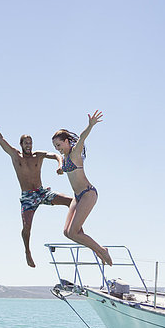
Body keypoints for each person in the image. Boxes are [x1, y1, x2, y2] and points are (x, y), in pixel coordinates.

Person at [0, 107, 72, 268]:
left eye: (30, 142)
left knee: (71, 200)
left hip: (42, 192)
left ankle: (75, 229)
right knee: (26, 228)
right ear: (21, 144)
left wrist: (60, 165)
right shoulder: (16, 156)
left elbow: (56, 154)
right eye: (26, 143)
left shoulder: (38, 155)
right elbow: (0, 138)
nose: (29, 145)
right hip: (28, 197)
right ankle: (27, 251)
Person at [52, 110, 112, 266]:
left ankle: (101, 250)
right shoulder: (64, 157)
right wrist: (60, 168)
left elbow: (82, 137)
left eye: (59, 144)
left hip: (88, 194)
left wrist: (90, 125)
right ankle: (98, 250)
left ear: (67, 141)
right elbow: (60, 160)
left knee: (73, 232)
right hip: (77, 196)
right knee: (67, 233)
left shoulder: (75, 153)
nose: (58, 148)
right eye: (55, 146)